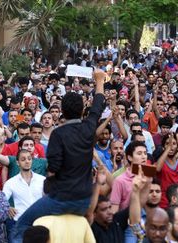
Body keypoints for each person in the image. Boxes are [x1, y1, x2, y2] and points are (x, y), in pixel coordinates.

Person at [14, 69, 107, 240]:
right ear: (81, 111)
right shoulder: (88, 129)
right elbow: (98, 106)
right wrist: (100, 80)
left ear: (62, 110)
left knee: (21, 225)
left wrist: (47, 191)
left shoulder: (58, 134)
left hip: (61, 199)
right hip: (84, 200)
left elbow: (53, 169)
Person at [3, 149, 46, 242]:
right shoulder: (10, 182)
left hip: (39, 223)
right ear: (18, 163)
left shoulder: (42, 180)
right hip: (19, 224)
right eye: (23, 159)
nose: (27, 161)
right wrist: (8, 207)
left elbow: (49, 199)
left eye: (29, 159)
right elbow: (2, 200)